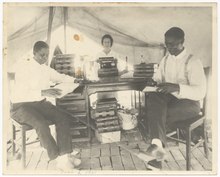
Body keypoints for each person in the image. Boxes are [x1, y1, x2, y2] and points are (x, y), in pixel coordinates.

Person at [10, 41, 81, 171]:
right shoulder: (23, 67)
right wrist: (43, 91)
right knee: (41, 124)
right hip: (20, 106)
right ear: (34, 53)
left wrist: (74, 80)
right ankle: (58, 159)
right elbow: (20, 93)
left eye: (47, 55)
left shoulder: (44, 68)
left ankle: (65, 156)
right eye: (42, 55)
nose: (44, 58)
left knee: (62, 117)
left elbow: (58, 76)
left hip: (39, 103)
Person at [144, 27, 206, 160]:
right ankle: (158, 148)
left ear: (182, 41)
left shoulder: (194, 62)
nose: (169, 48)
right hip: (169, 101)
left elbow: (201, 92)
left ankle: (156, 146)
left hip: (190, 104)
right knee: (154, 98)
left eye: (172, 44)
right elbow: (157, 79)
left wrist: (177, 87)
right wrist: (153, 81)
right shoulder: (165, 60)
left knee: (155, 114)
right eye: (167, 44)